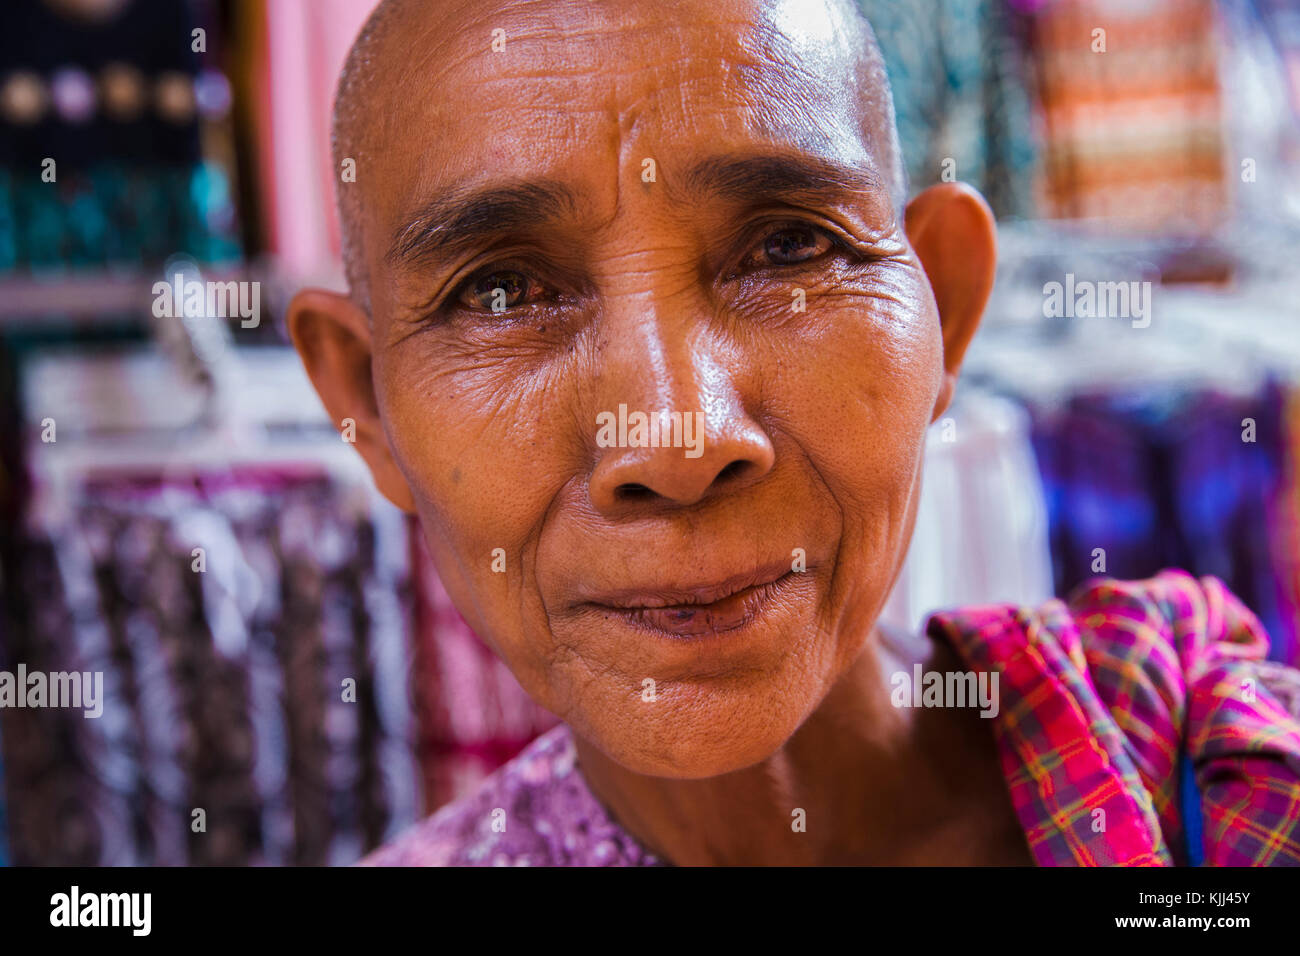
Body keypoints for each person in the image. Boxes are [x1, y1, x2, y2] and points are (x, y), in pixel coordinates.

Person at [287, 0, 1300, 865]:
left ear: (942, 307)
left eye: (786, 246)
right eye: (502, 291)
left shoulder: (1196, 759)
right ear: (365, 405)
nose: (678, 442)